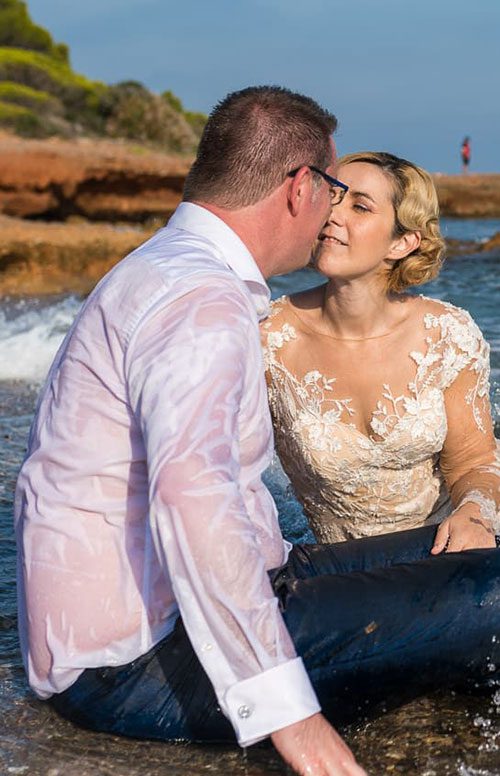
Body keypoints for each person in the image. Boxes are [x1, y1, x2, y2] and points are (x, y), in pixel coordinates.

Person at [15, 99, 499, 776]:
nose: (333, 211)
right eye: (334, 190)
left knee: (470, 559)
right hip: (135, 663)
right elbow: (192, 504)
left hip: (190, 604)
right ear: (301, 187)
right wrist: (296, 723)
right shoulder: (206, 305)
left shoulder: (172, 269)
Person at [263, 151, 499, 550]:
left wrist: (473, 517)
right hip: (332, 573)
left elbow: (475, 463)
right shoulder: (267, 337)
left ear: (403, 242)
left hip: (444, 559)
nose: (333, 216)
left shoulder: (448, 336)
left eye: (360, 206)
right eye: (332, 200)